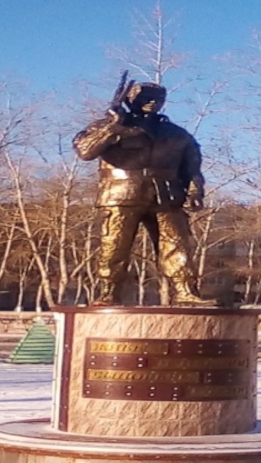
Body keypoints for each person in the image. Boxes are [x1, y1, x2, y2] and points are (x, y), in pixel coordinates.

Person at [73, 81, 211, 305]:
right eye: (145, 96)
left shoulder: (176, 134)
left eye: (158, 98)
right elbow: (85, 151)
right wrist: (112, 128)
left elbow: (192, 167)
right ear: (129, 99)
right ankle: (109, 292)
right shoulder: (107, 126)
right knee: (114, 245)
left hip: (166, 196)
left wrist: (195, 191)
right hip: (120, 194)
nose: (152, 102)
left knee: (177, 243)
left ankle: (186, 291)